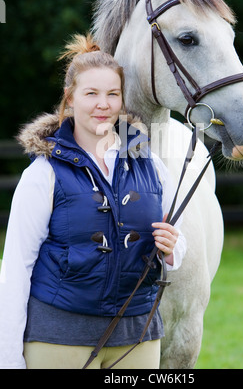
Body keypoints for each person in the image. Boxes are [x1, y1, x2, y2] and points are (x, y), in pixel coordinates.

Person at [0, 34, 186, 369]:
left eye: (113, 94)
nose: (104, 104)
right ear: (70, 98)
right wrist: (8, 359)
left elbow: (177, 240)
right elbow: (15, 269)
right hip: (58, 337)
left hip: (138, 335)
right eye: (91, 94)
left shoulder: (153, 165)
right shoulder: (44, 173)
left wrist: (172, 249)